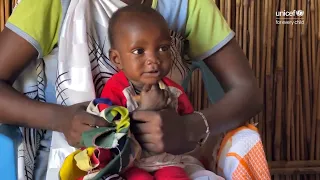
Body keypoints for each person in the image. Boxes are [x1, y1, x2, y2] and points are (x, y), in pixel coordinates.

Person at [0, 0, 264, 179]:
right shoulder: (55, 4)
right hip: (74, 160)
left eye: (161, 48)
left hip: (171, 156)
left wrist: (189, 127)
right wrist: (61, 118)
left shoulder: (186, 5)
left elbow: (247, 92)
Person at [97, 5, 223, 179]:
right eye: (139, 51)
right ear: (117, 59)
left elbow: (189, 131)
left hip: (168, 161)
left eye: (163, 48)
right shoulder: (116, 89)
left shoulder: (174, 91)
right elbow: (108, 132)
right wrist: (144, 110)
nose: (153, 60)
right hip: (130, 165)